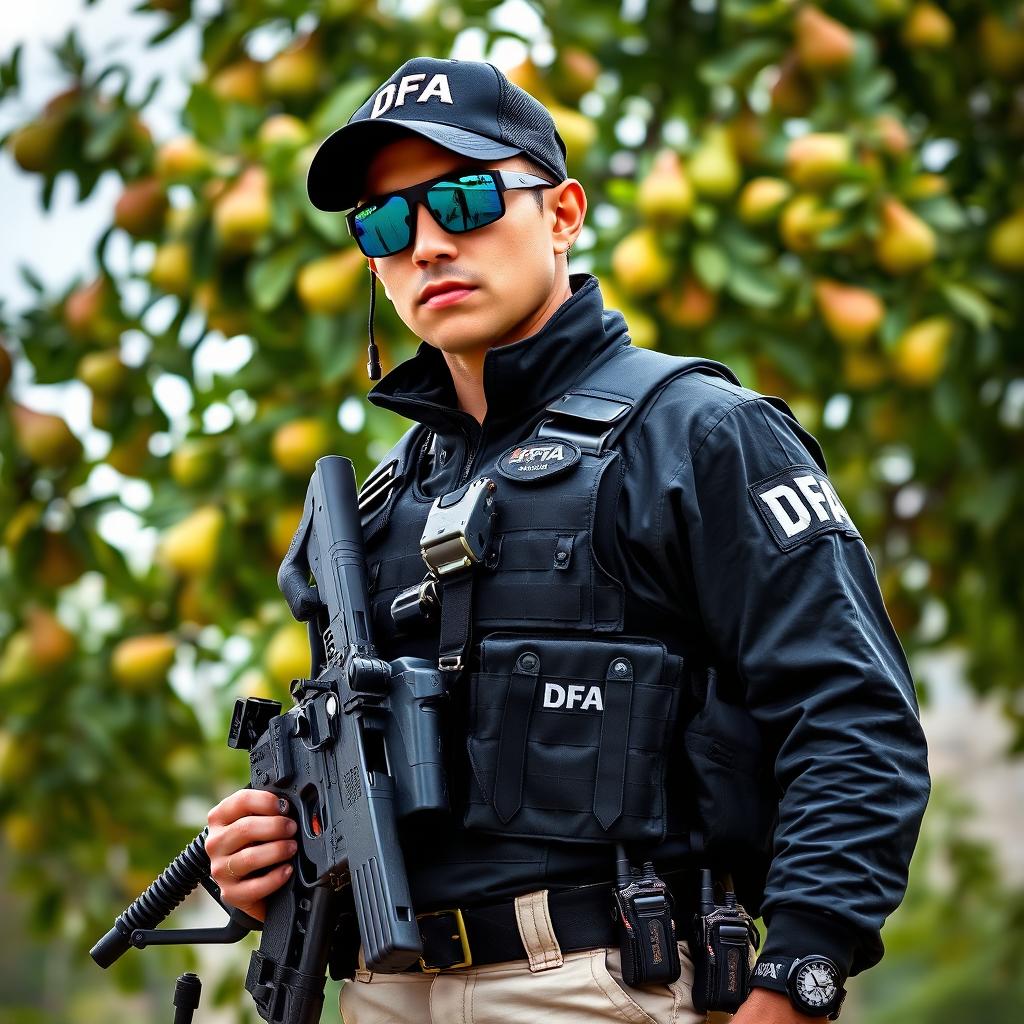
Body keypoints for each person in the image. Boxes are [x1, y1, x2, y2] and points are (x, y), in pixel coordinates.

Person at [205, 57, 931, 1024]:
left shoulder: (701, 434)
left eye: (463, 199)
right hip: (382, 993)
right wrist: (270, 852)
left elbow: (855, 723)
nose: (425, 244)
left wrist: (798, 981)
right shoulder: (375, 510)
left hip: (601, 984)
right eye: (385, 223)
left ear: (562, 213)